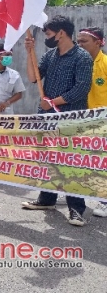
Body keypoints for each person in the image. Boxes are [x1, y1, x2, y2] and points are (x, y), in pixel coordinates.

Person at [20, 15, 93, 226]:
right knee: (46, 159)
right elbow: (34, 78)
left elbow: (81, 88)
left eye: (49, 34)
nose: (47, 38)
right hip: (47, 118)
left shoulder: (82, 57)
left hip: (71, 118)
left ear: (61, 32)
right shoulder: (49, 55)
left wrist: (53, 102)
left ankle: (76, 209)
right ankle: (46, 199)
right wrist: (29, 53)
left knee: (71, 163)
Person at [76, 27, 107, 218]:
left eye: (84, 42)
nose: (79, 45)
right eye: (78, 41)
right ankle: (74, 194)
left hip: (102, 121)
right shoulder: (79, 63)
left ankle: (104, 200)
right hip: (80, 120)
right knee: (79, 159)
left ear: (98, 42)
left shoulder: (105, 64)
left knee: (102, 161)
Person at [0, 43, 25, 115]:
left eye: (11, 55)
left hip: (6, 116)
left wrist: (7, 103)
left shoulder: (14, 74)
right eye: (7, 55)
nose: (9, 57)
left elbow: (19, 94)